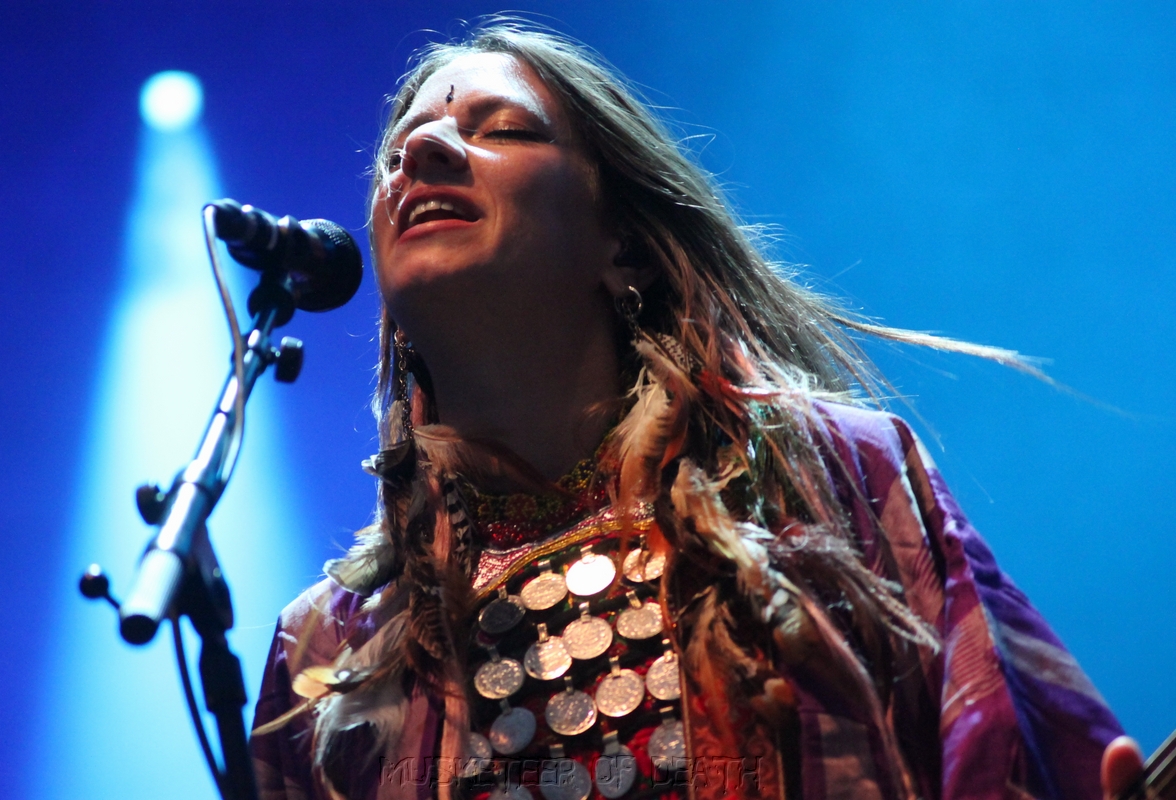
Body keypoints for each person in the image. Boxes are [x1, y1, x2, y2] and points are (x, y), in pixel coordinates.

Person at [250, 21, 1144, 800]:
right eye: (398, 151)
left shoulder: (836, 479)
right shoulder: (327, 653)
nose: (423, 154)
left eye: (505, 130)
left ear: (624, 247)